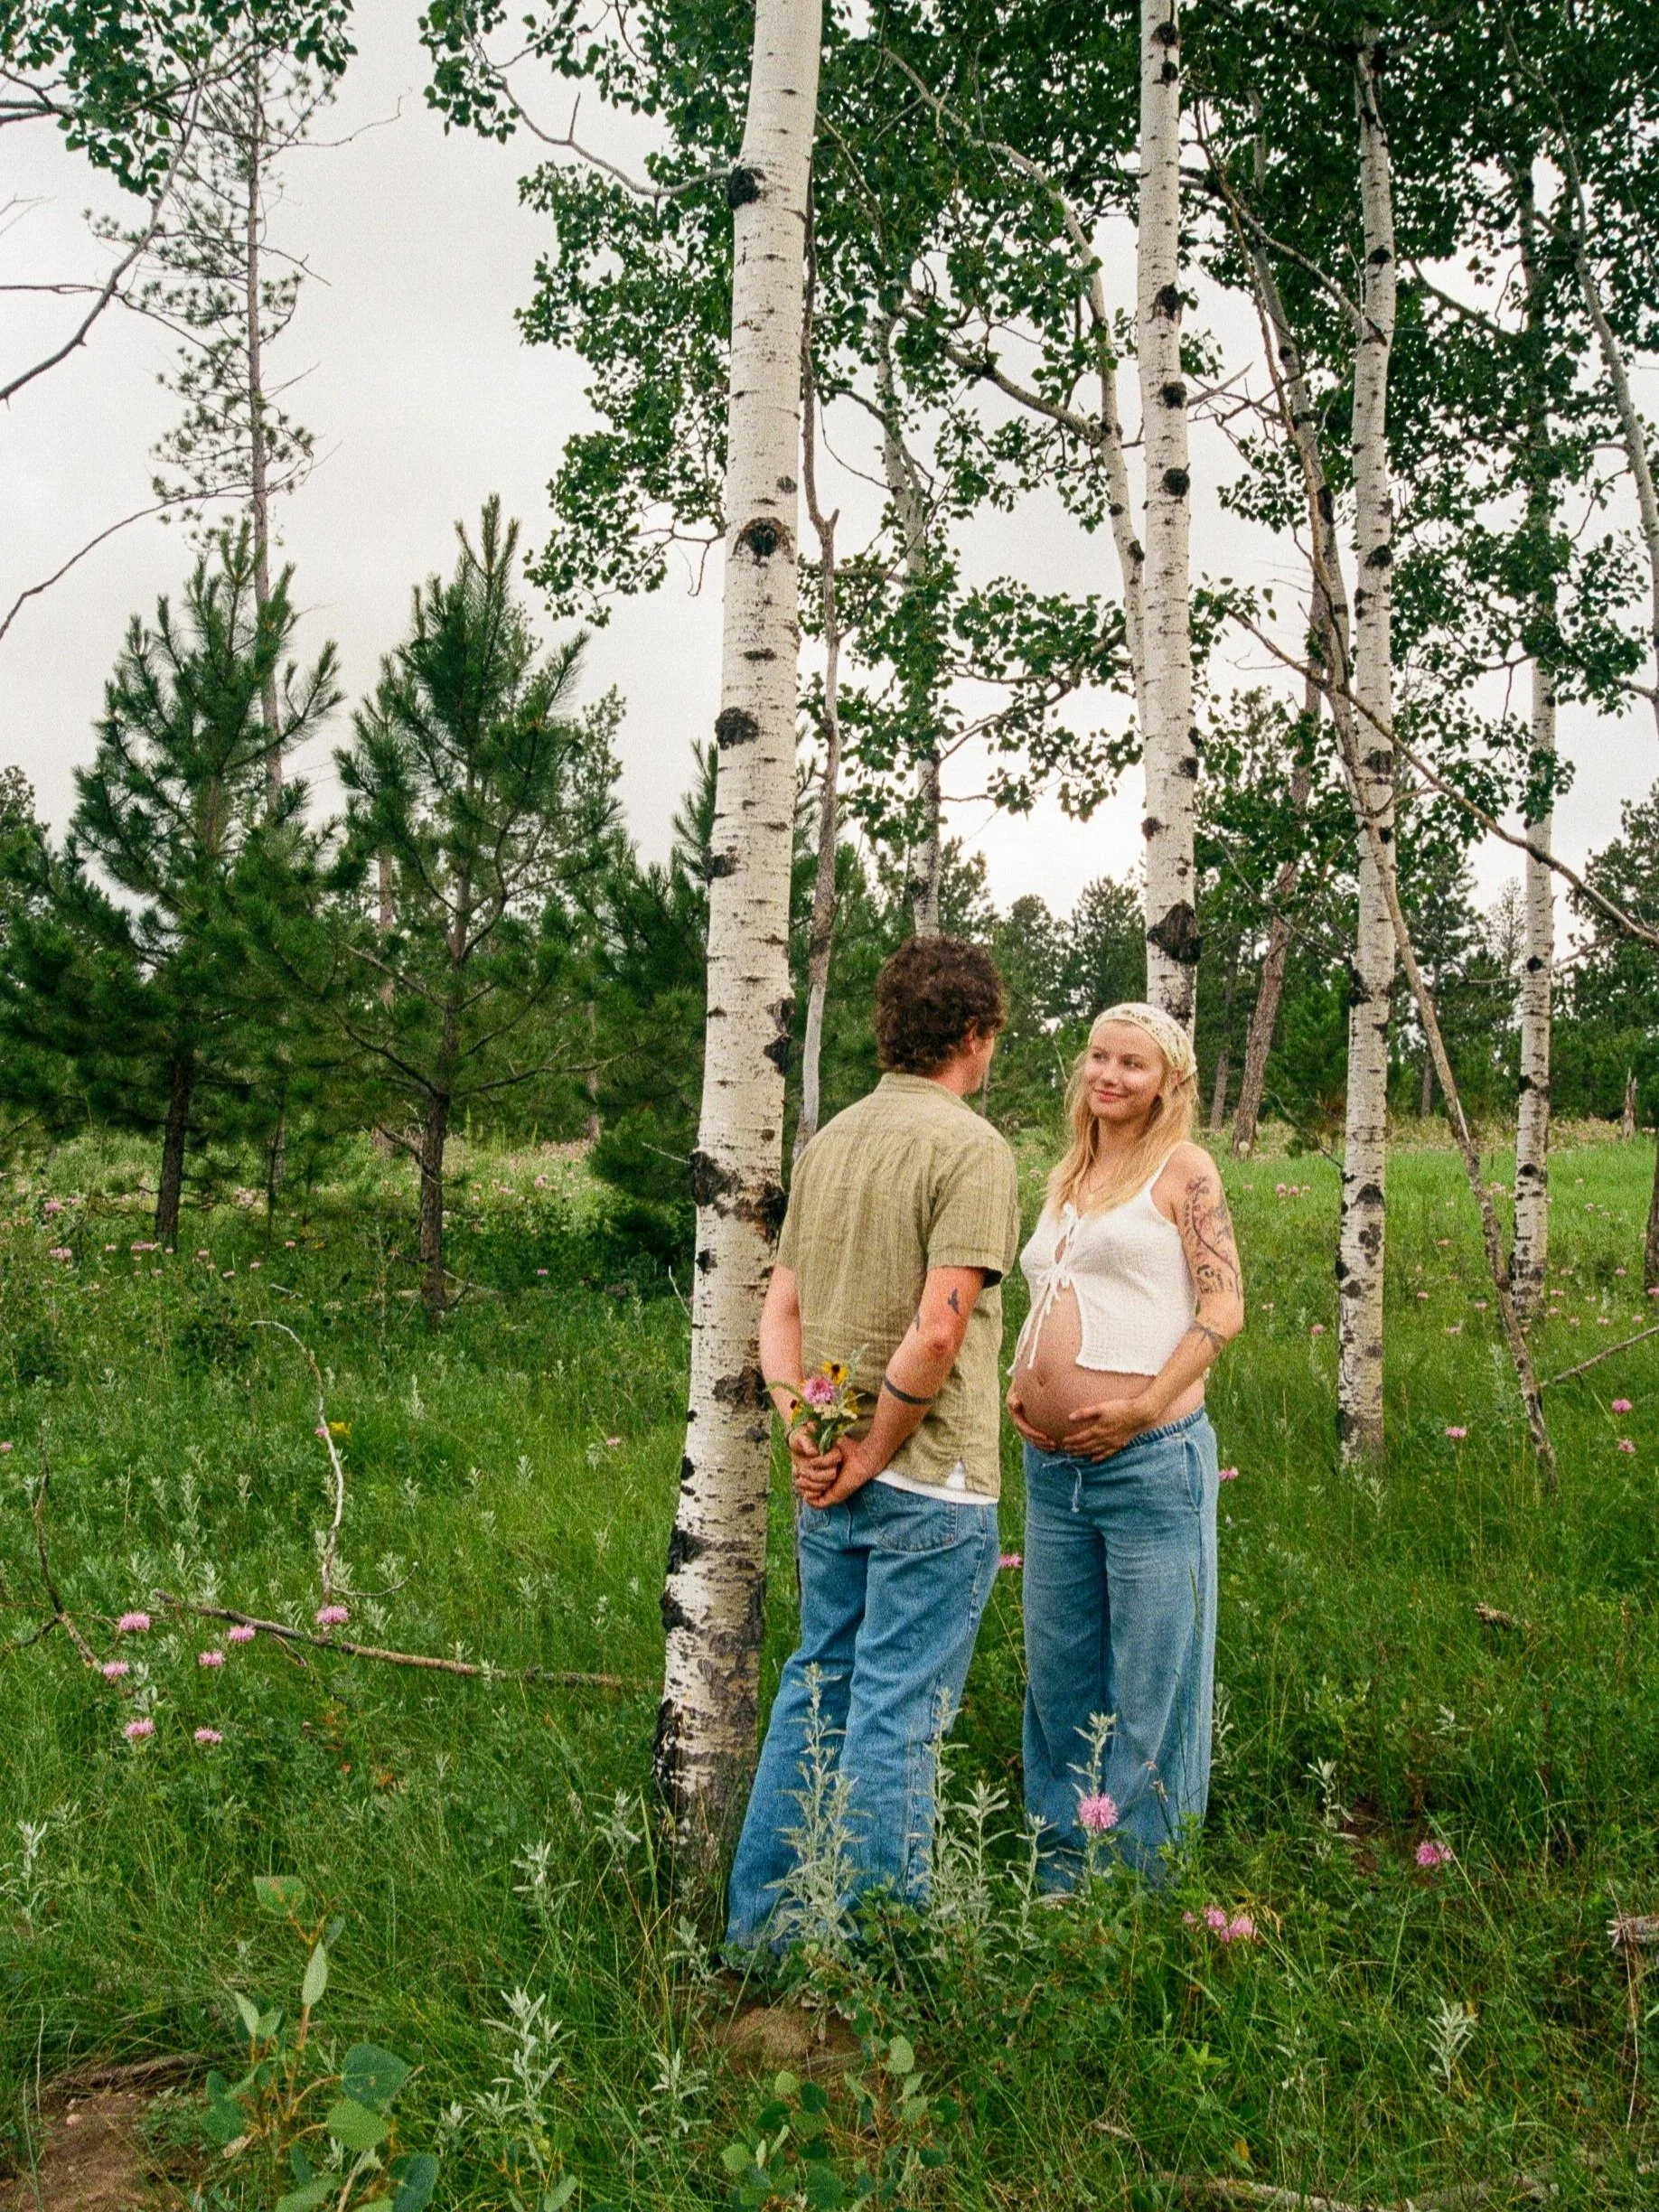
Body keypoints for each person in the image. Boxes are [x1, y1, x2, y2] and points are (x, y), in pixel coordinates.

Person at [724, 935, 1021, 1950]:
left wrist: (811, 1438)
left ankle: (761, 1936)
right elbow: (939, 1331)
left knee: (818, 1687)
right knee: (898, 1715)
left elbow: (780, 1317)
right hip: (927, 1481)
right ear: (974, 1036)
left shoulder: (831, 1143)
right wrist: (870, 1451)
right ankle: (873, 1958)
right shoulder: (971, 1148)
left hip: (836, 1474)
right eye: (992, 1040)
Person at [1006, 1001, 1244, 1888]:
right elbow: (1056, 1290)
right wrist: (1022, 1374)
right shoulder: (1072, 1169)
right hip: (1053, 1466)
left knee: (1153, 1682)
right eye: (1098, 1057)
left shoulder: (1185, 1171)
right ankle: (1062, 1870)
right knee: (1060, 1676)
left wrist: (1144, 1407)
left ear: (1168, 1081)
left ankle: (1141, 1885)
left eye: (1132, 1064)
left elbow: (1224, 1306)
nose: (1109, 1075)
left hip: (1149, 1461)